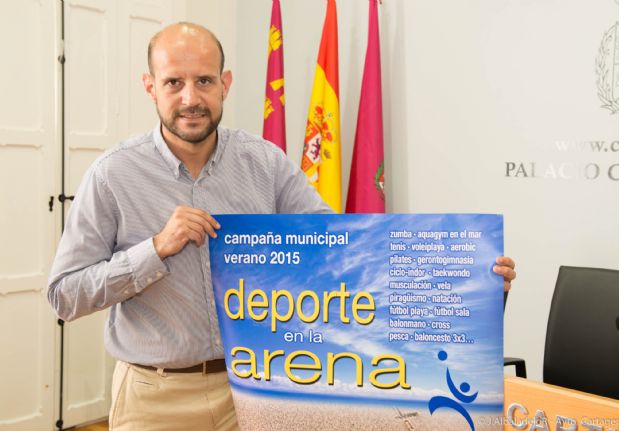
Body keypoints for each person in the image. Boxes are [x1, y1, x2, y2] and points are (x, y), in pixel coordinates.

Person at [48, 22, 516, 431]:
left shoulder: (265, 164)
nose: (190, 98)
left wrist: (464, 279)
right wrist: (154, 249)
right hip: (155, 398)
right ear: (150, 86)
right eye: (174, 82)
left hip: (256, 392)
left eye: (204, 81)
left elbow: (344, 251)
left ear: (226, 83)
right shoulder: (112, 175)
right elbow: (64, 295)